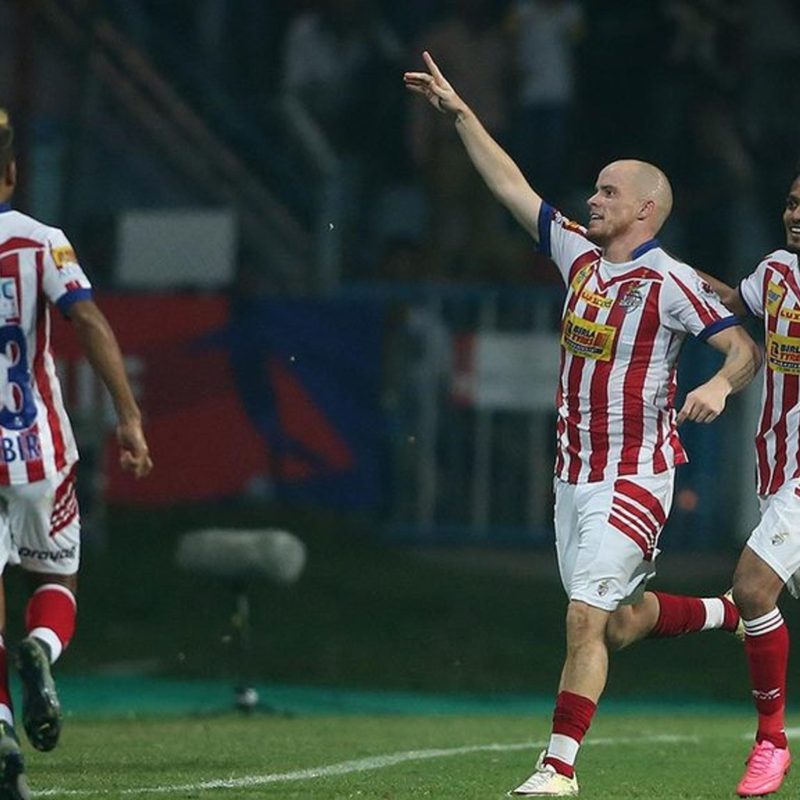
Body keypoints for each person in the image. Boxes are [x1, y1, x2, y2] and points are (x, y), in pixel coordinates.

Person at [404, 52, 762, 797]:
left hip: (635, 474)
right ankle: (724, 611)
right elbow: (511, 186)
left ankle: (558, 768)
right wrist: (461, 114)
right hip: (573, 475)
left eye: (608, 191)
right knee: (617, 624)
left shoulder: (671, 280)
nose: (593, 200)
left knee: (581, 618)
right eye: (595, 189)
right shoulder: (581, 258)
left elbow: (743, 349)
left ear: (646, 210)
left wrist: (719, 386)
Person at [0, 109, 152, 799]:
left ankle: (4, 734)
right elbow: (87, 319)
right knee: (56, 582)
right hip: (40, 455)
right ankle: (42, 649)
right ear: (10, 173)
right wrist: (129, 416)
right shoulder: (42, 242)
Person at [697, 163, 800, 798]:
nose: (796, 215)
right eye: (791, 203)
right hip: (777, 465)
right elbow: (737, 302)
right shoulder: (777, 271)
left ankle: (771, 742)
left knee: (753, 587)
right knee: (761, 596)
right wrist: (673, 275)